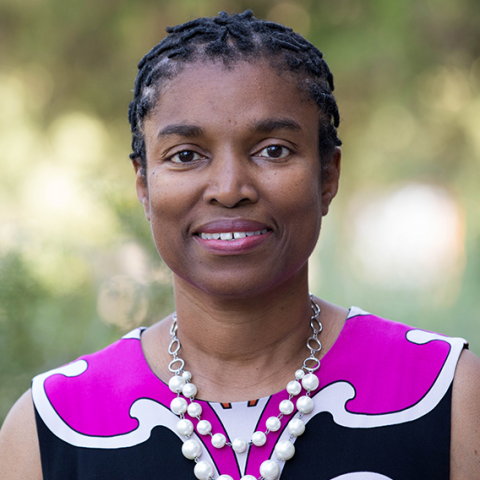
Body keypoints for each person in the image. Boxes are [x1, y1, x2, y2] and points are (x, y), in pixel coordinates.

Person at [0, 10, 479, 480]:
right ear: (143, 186)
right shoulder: (52, 429)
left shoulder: (449, 395)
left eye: (273, 149)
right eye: (186, 155)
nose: (229, 188)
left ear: (327, 176)